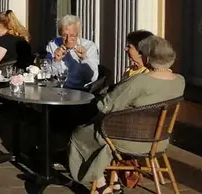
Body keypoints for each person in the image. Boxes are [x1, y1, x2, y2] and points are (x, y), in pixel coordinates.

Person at [68, 36, 185, 193]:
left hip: (129, 140)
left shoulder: (140, 81)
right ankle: (113, 182)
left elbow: (107, 104)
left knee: (80, 134)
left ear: (148, 57)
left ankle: (100, 183)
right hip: (159, 141)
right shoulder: (180, 81)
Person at [45, 14, 100, 90]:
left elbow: (93, 78)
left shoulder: (89, 47)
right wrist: (56, 61)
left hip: (81, 91)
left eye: (72, 36)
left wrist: (84, 58)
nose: (68, 40)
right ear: (60, 34)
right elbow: (47, 75)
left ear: (78, 34)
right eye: (64, 35)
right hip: (57, 90)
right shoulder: (53, 45)